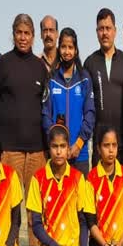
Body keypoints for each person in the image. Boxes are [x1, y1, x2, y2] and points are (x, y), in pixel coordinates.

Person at [0, 13, 50, 246]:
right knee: (9, 206)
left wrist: (47, 149)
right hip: (9, 150)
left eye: (27, 33)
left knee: (35, 207)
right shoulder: (3, 65)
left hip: (36, 150)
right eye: (19, 33)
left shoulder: (40, 68)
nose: (23, 37)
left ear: (33, 36)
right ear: (13, 34)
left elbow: (46, 108)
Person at [26, 124, 89, 246]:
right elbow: (36, 225)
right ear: (49, 148)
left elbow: (83, 222)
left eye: (63, 147)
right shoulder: (38, 179)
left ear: (68, 148)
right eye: (55, 147)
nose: (59, 152)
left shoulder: (78, 178)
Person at [42, 27, 96, 176]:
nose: (67, 52)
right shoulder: (51, 79)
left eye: (70, 47)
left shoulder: (84, 78)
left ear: (76, 50)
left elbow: (90, 114)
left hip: (80, 154)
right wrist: (55, 144)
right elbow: (46, 114)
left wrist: (78, 144)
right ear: (59, 49)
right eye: (64, 47)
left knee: (79, 198)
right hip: (57, 154)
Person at [84, 8, 123, 167]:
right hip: (99, 142)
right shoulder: (90, 63)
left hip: (122, 142)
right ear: (96, 32)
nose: (105, 33)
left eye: (108, 28)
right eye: (101, 29)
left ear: (115, 31)